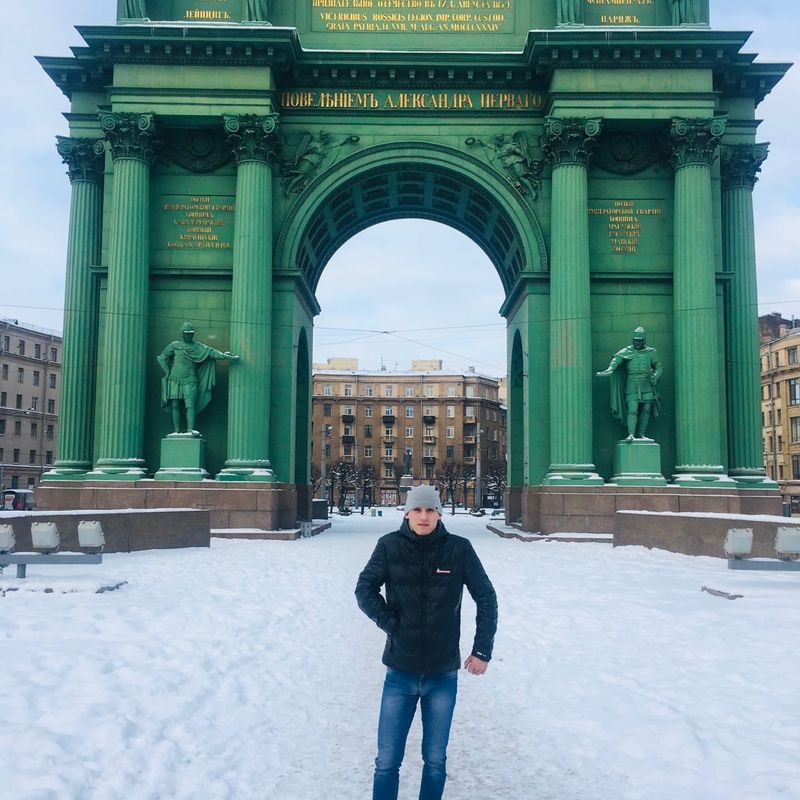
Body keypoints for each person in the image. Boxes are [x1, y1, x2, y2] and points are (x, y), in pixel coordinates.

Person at [355, 485, 498, 800]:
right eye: (417, 510)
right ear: (407, 513)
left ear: (439, 513)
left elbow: (486, 597)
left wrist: (482, 650)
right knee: (386, 761)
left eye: (430, 510)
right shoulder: (389, 546)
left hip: (442, 675)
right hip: (400, 672)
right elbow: (364, 588)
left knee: (435, 761)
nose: (423, 516)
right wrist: (390, 623)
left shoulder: (459, 549)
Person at [156, 321, 239, 435]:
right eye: (186, 333)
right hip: (174, 378)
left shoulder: (198, 347)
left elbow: (212, 352)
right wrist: (167, 372)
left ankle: (190, 430)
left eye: (191, 333)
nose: (189, 335)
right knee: (175, 405)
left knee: (190, 405)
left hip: (190, 379)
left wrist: (226, 356)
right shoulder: (175, 345)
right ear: (182, 333)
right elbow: (162, 357)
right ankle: (176, 431)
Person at [596, 326, 663, 440]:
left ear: (644, 341)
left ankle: (642, 434)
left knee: (646, 409)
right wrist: (610, 369)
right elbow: (617, 359)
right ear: (633, 340)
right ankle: (631, 434)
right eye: (636, 340)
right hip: (632, 383)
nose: (637, 343)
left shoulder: (651, 352)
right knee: (632, 409)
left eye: (640, 341)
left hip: (647, 383)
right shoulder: (627, 351)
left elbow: (659, 366)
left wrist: (655, 376)